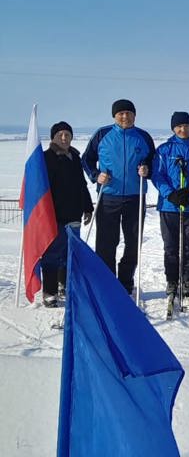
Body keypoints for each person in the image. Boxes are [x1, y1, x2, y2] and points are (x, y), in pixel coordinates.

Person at [81, 99, 155, 294]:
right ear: (114, 115)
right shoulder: (102, 134)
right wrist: (96, 176)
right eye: (121, 113)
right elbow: (86, 159)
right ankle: (106, 282)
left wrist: (147, 169)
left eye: (129, 113)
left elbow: (153, 162)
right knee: (106, 242)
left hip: (135, 196)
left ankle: (125, 280)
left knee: (133, 242)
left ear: (134, 115)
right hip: (108, 197)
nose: (125, 117)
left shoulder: (143, 137)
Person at [151, 111, 189, 299]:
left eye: (186, 125)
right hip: (170, 207)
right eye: (178, 126)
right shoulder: (164, 150)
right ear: (173, 128)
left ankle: (187, 280)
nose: (182, 129)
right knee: (170, 246)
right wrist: (170, 194)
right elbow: (157, 174)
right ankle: (172, 280)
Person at [41, 121, 93, 307]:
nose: (64, 138)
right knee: (52, 253)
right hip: (53, 215)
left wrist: (87, 206)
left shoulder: (75, 157)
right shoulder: (45, 158)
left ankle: (64, 284)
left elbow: (82, 185)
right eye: (60, 135)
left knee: (70, 252)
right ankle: (50, 291)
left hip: (74, 213)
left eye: (67, 135)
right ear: (53, 137)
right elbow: (39, 188)